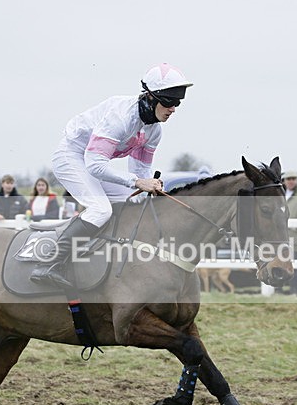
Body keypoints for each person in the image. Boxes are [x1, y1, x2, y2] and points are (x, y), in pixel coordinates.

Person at [31, 63, 192, 286]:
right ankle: (48, 264)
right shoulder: (121, 117)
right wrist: (138, 182)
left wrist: (146, 188)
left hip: (94, 161)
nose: (173, 108)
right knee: (100, 210)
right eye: (169, 102)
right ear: (150, 97)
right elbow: (96, 166)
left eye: (178, 103)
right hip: (72, 156)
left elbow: (140, 171)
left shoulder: (154, 131)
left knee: (133, 202)